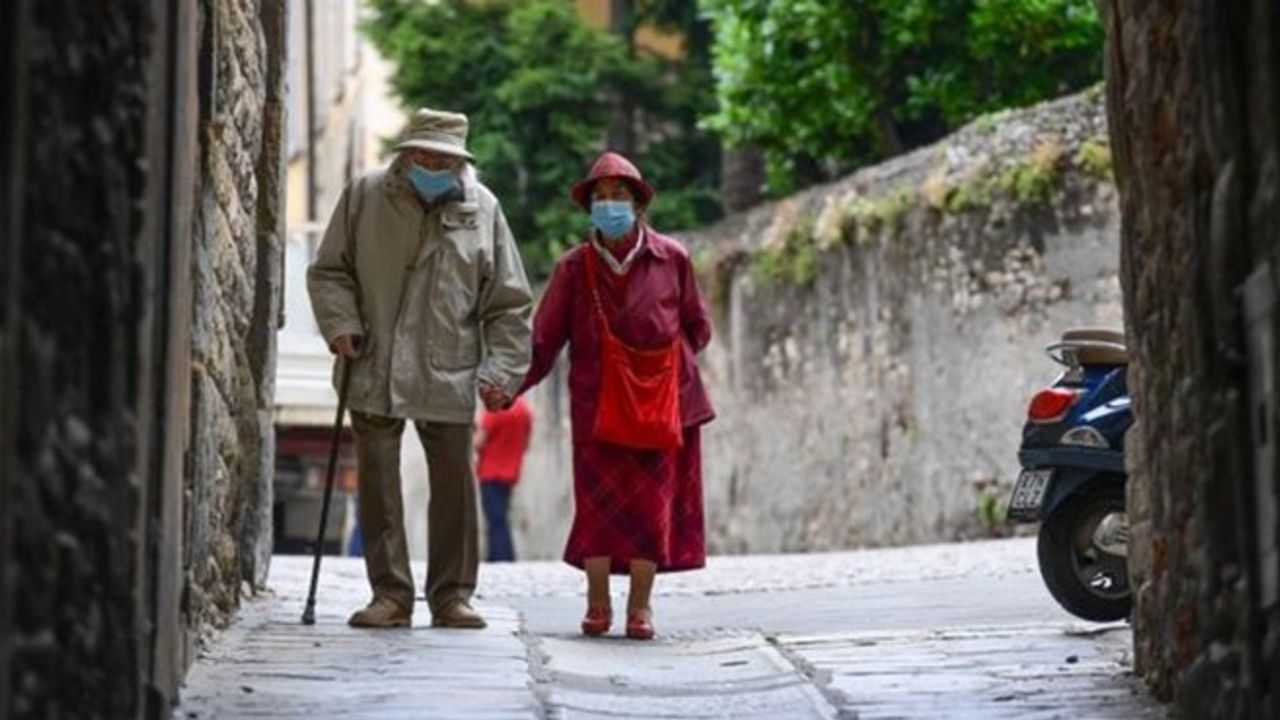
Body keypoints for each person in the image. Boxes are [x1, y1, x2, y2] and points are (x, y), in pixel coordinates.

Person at [307, 108, 532, 629]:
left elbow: (509, 303)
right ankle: (390, 595)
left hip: (448, 366)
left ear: (460, 164)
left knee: (455, 485)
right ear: (406, 155)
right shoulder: (365, 196)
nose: (432, 165)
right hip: (373, 360)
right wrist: (342, 325)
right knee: (378, 483)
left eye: (443, 159)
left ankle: (452, 596)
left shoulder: (483, 209)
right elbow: (328, 272)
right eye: (423, 155)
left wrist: (501, 371)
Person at [517, 151, 714, 640]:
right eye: (600, 197)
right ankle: (598, 604)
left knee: (652, 509)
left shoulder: (673, 258)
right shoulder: (573, 268)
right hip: (595, 407)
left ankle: (640, 608)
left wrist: (657, 372)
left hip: (660, 408)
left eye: (619, 196)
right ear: (590, 209)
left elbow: (697, 327)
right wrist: (508, 384)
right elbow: (543, 341)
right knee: (597, 510)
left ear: (638, 204)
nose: (609, 205)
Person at [473, 395, 533, 562]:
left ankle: (501, 557)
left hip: (490, 472)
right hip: (511, 472)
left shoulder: (494, 410)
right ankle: (501, 556)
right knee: (501, 517)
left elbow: (478, 442)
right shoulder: (524, 410)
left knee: (495, 520)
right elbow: (526, 443)